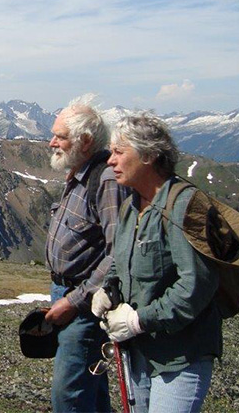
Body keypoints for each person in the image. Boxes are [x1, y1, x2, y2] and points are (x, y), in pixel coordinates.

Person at [92, 112, 221, 413]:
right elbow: (120, 261)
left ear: (149, 155)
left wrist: (139, 321)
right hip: (138, 354)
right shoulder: (130, 206)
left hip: (180, 358)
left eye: (119, 152)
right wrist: (108, 289)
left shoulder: (185, 206)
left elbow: (196, 284)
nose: (110, 160)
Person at [44, 98, 128, 412]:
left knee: (69, 396)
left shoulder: (104, 181)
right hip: (67, 294)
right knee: (90, 392)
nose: (51, 142)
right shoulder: (78, 172)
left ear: (86, 141)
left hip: (85, 305)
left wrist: (73, 300)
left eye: (60, 136)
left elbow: (118, 253)